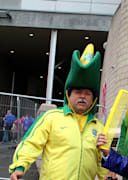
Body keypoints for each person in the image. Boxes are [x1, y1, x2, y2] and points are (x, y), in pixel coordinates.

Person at [9, 44, 108, 180]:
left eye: (87, 94)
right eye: (78, 92)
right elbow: (31, 143)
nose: (82, 96)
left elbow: (101, 160)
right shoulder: (51, 118)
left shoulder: (98, 127)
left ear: (93, 99)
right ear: (68, 96)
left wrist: (108, 175)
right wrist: (19, 166)